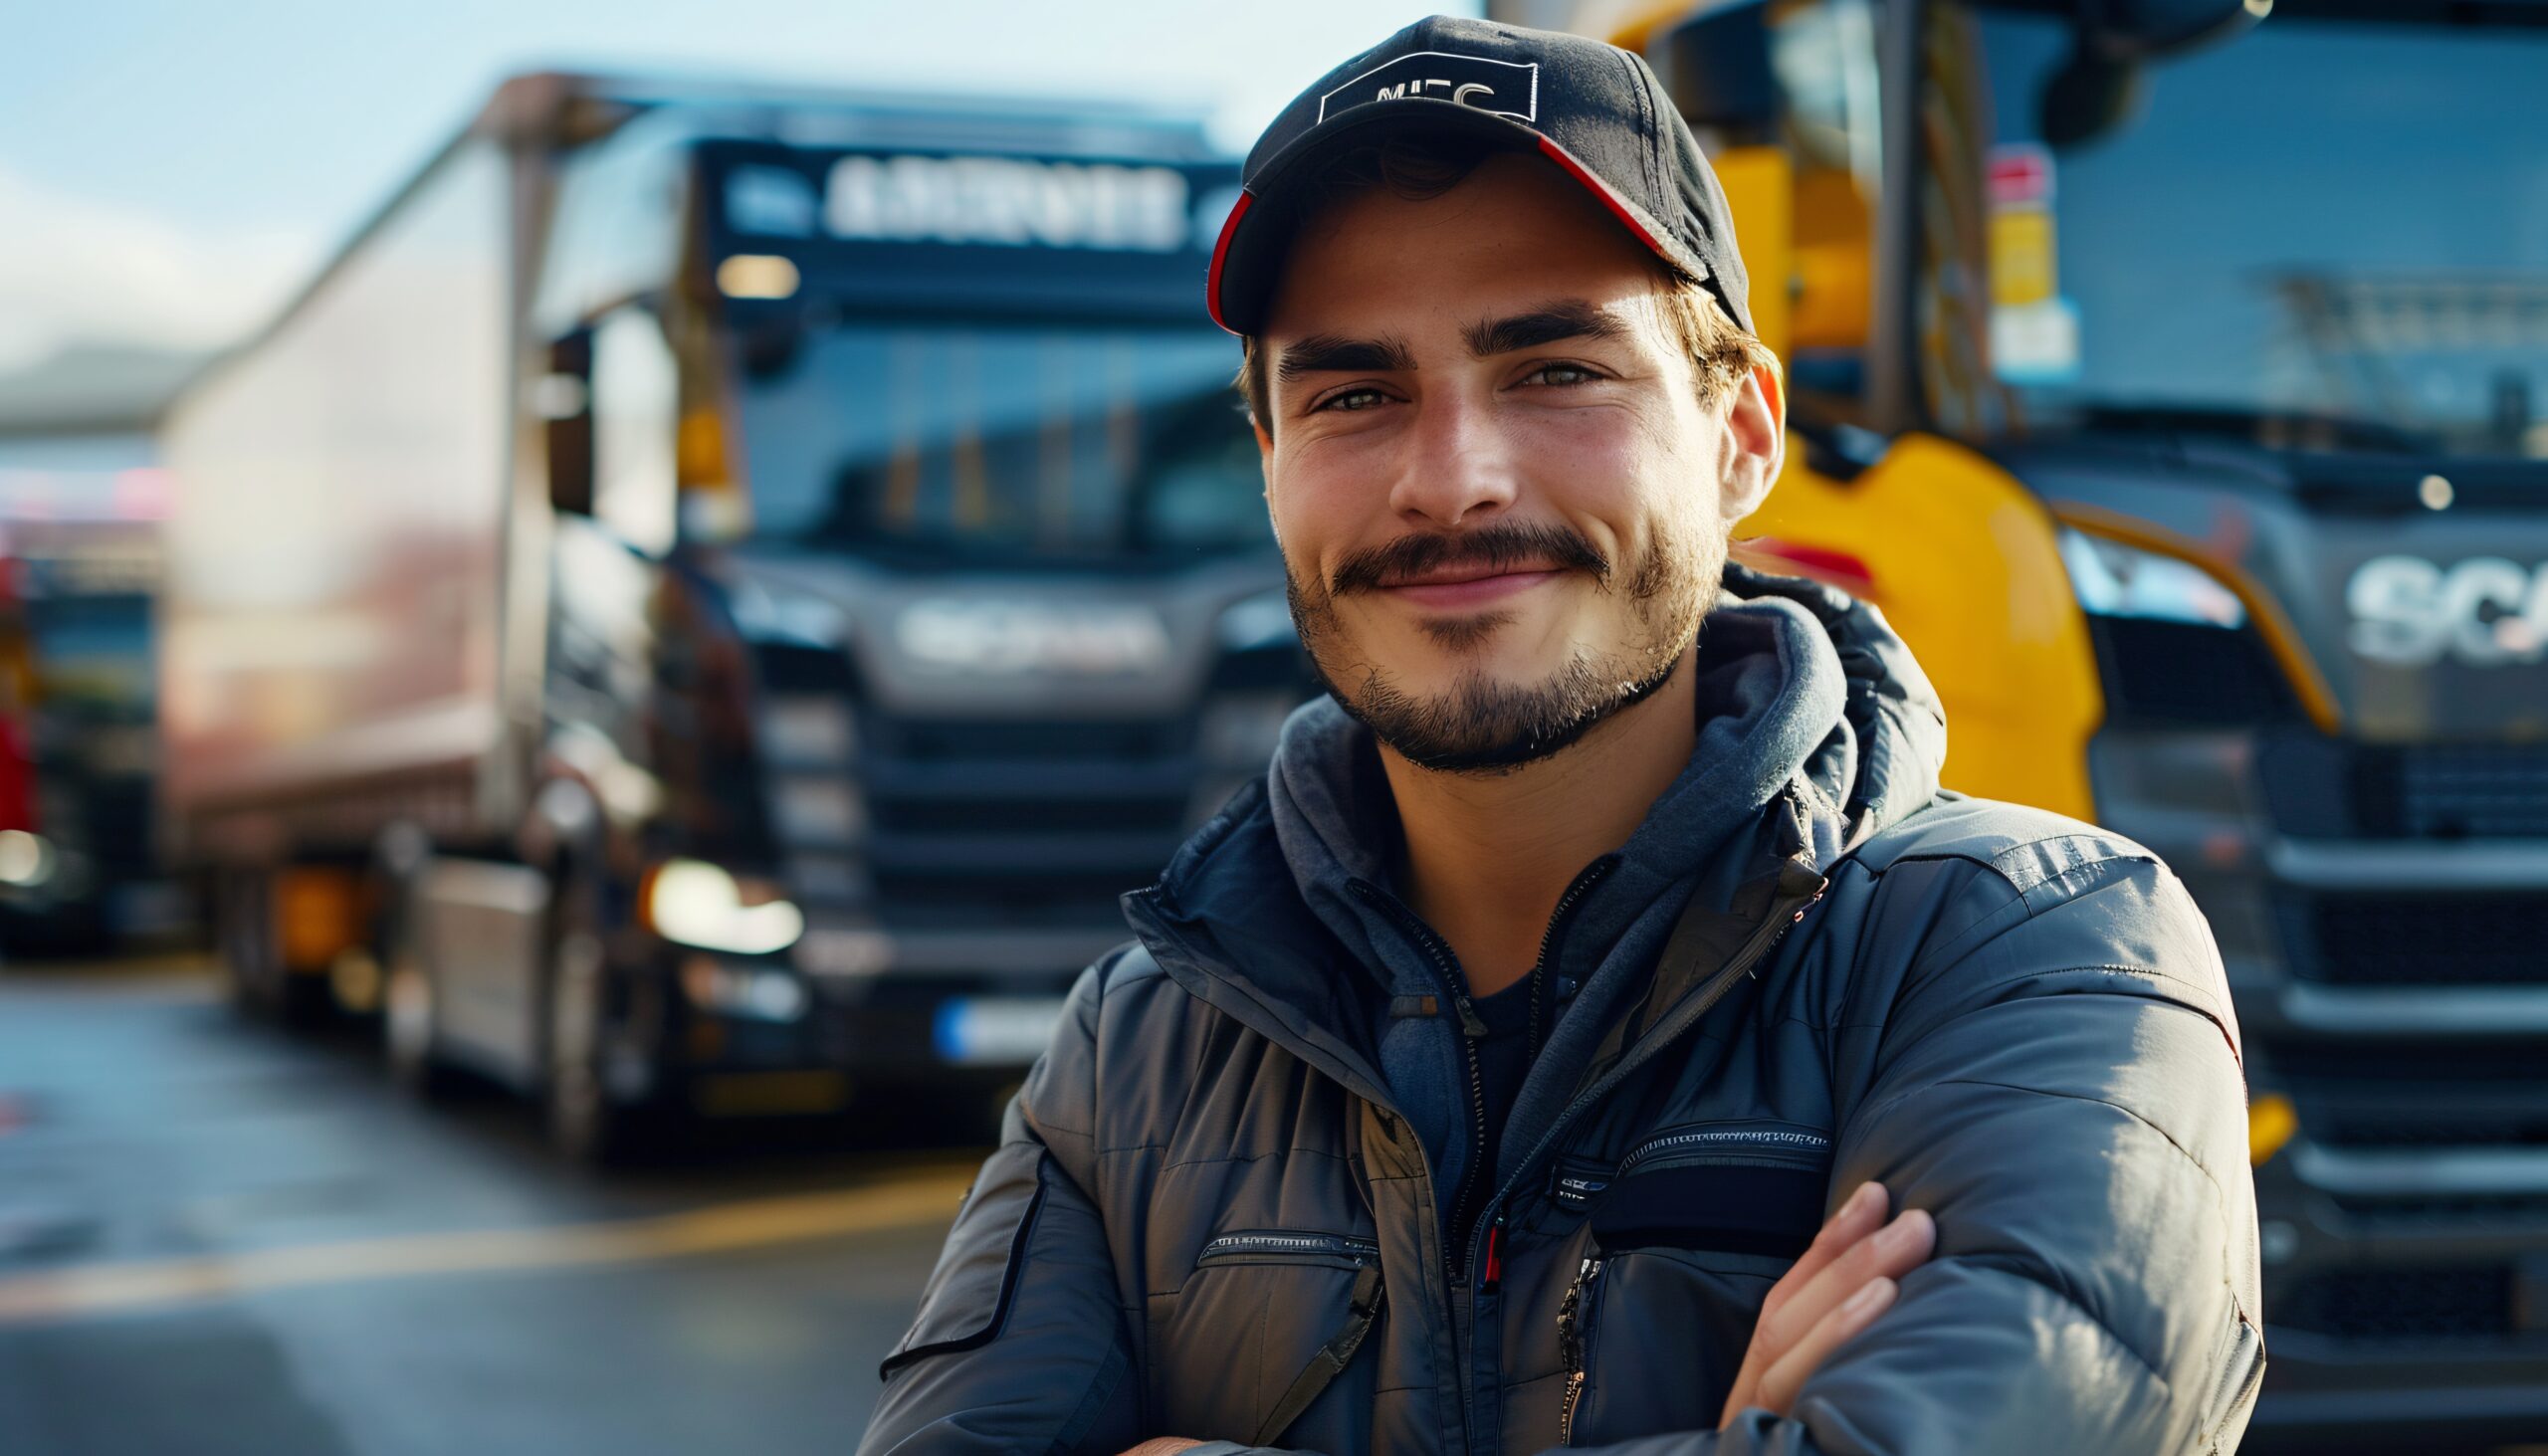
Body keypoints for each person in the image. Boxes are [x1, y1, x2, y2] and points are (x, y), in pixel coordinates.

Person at [858, 16, 2261, 1455]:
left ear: (1742, 437)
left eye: (1556, 371)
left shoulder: (2036, 954)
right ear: (1271, 473)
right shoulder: (1142, 1046)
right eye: (1355, 395)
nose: (1450, 480)